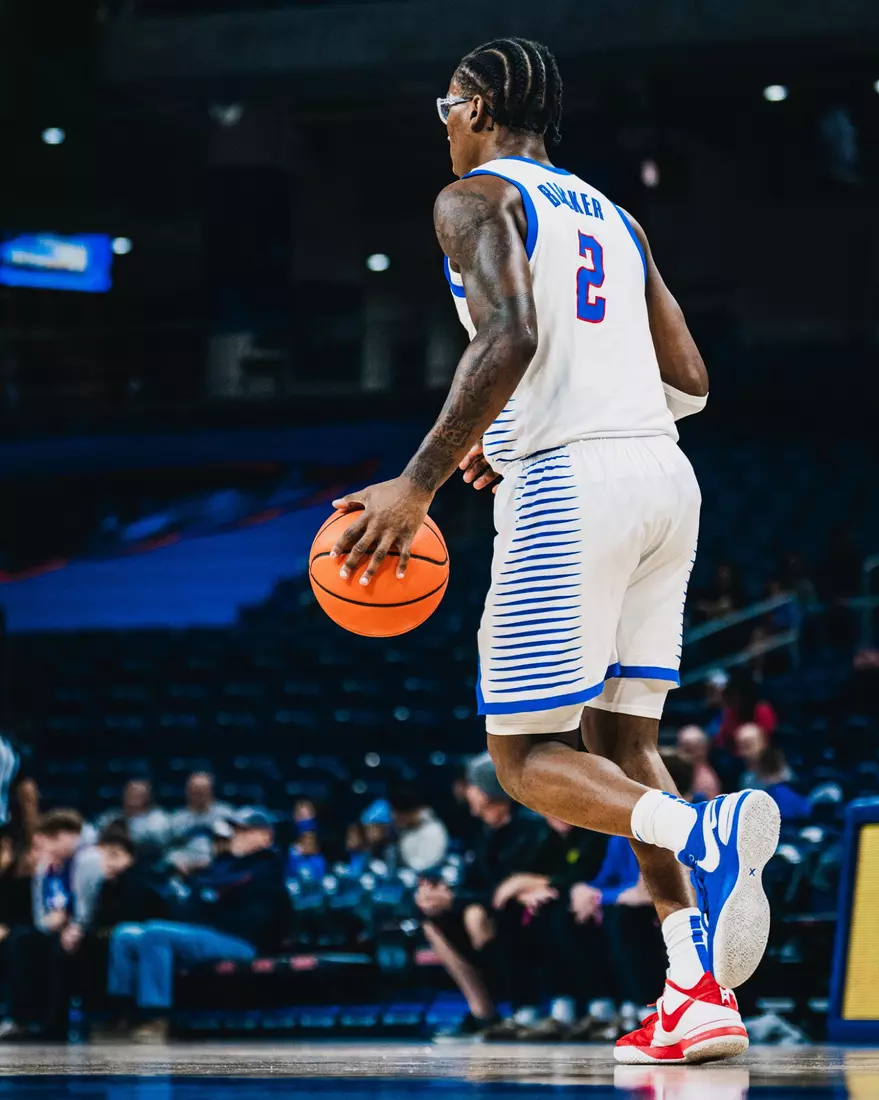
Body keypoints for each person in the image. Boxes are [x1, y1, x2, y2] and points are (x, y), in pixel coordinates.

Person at [328, 37, 777, 1065]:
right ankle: (695, 990)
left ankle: (702, 834)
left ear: (479, 107)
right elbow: (691, 380)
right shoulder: (616, 216)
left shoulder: (473, 198)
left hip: (572, 491)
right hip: (665, 480)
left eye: (447, 107)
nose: (445, 126)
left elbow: (511, 336)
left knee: (525, 758)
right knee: (622, 743)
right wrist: (523, 425)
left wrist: (419, 480)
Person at [105, 807, 287, 1043]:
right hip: (204, 932)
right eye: (235, 831)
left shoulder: (268, 867)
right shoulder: (224, 863)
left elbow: (241, 914)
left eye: (245, 831)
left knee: (156, 933)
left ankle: (155, 1018)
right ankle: (122, 1014)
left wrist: (205, 900)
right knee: (125, 934)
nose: (236, 836)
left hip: (239, 941)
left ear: (265, 836)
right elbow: (200, 898)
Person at [416, 752, 547, 1041]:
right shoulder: (482, 832)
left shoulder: (528, 828)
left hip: (523, 915)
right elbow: (474, 885)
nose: (467, 794)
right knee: (433, 919)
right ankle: (482, 1012)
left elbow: (507, 891)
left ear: (488, 791)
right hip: (490, 912)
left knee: (480, 915)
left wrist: (457, 901)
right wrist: (441, 896)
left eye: (472, 787)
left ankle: (523, 1007)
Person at [0, 811, 106, 1040]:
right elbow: (41, 914)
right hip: (57, 929)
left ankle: (54, 1025)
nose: (45, 849)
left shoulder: (88, 859)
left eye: (48, 841)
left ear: (66, 836)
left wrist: (74, 926)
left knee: (59, 949)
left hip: (91, 929)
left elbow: (90, 907)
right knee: (19, 940)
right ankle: (23, 1018)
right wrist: (47, 875)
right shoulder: (47, 866)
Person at [166, 772, 233, 873]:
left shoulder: (226, 814)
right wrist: (178, 862)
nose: (199, 794)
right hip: (185, 869)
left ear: (211, 791)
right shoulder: (176, 819)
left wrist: (212, 860)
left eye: (203, 790)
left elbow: (234, 845)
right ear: (187, 792)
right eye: (195, 790)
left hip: (219, 868)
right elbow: (169, 849)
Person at [96, 779, 171, 855]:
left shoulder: (158, 817)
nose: (133, 796)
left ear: (148, 796)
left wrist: (124, 833)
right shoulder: (112, 815)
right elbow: (97, 837)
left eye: (138, 793)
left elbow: (160, 842)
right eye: (130, 792)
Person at [388, 786, 449, 873]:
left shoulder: (432, 832)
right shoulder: (405, 829)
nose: (396, 821)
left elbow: (421, 867)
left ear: (412, 813)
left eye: (399, 818)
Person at [715, 670, 778, 753]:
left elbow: (768, 740)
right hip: (739, 757)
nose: (732, 698)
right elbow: (723, 740)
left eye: (734, 693)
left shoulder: (762, 710)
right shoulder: (730, 712)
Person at [676, 727, 722, 801]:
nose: (682, 755)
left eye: (689, 751)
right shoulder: (683, 772)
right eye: (680, 748)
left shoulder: (706, 781)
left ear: (703, 750)